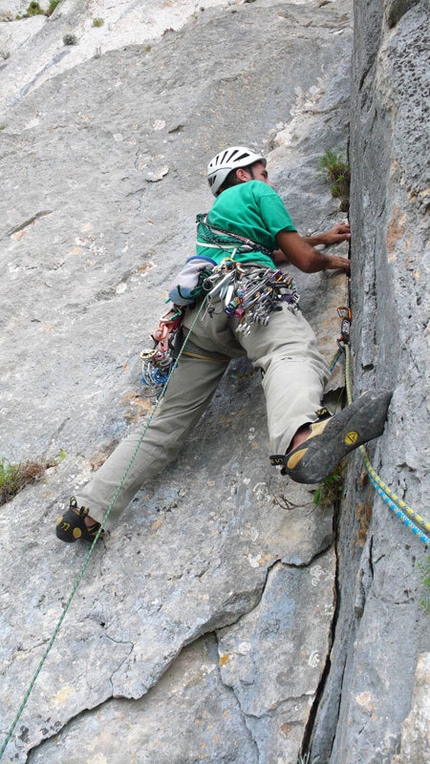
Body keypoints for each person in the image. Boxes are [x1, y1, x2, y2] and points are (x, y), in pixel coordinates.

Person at [56, 146, 391, 543]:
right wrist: (326, 260)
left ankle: (88, 510)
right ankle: (303, 438)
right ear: (245, 175)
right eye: (262, 172)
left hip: (199, 319)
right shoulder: (257, 193)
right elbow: (301, 259)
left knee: (165, 424)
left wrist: (318, 239)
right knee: (288, 351)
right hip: (248, 297)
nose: (268, 179)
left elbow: (265, 249)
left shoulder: (216, 219)